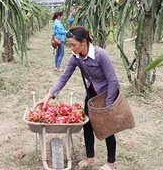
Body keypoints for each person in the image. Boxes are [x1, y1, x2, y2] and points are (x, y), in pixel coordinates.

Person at [37, 25, 120, 170]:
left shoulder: (101, 55)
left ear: (84, 42)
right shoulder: (75, 58)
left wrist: (108, 104)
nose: (72, 48)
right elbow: (64, 78)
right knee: (87, 124)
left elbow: (113, 80)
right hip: (91, 94)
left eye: (74, 45)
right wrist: (48, 96)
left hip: (107, 94)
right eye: (70, 45)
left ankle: (110, 164)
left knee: (107, 128)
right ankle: (90, 158)